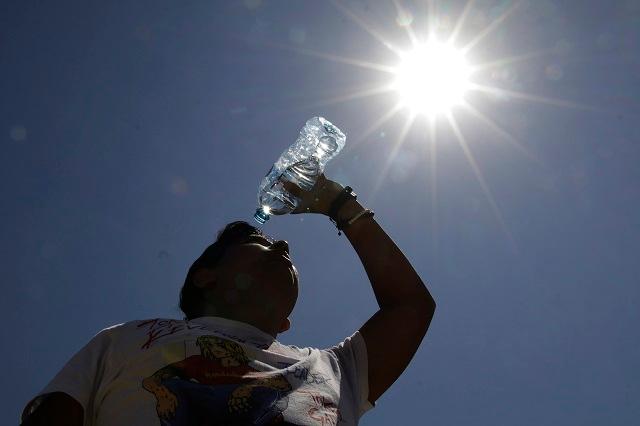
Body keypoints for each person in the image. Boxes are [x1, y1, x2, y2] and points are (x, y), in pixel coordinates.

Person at [21, 174, 436, 425]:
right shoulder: (126, 340)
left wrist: (338, 203)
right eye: (259, 240)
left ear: (284, 324)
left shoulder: (332, 370)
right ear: (206, 276)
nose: (285, 243)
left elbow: (411, 307)